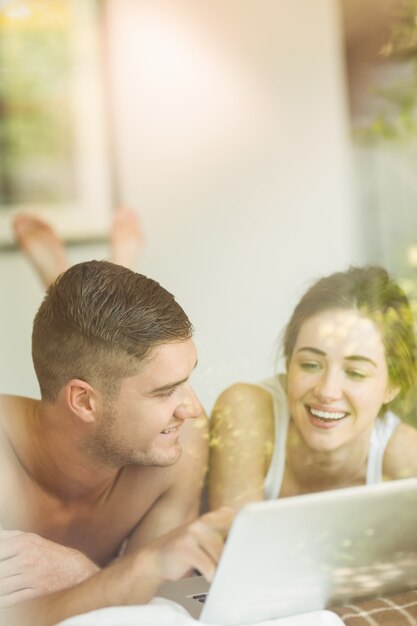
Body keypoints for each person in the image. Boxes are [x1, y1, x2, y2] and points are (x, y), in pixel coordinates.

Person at [0, 258, 234, 624]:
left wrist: (80, 572)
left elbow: (158, 612)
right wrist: (124, 577)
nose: (191, 409)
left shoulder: (181, 444)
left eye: (187, 381)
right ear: (84, 401)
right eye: (165, 392)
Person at [209, 266, 417, 509]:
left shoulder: (406, 456)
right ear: (288, 363)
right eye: (310, 365)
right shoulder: (246, 410)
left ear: (393, 386)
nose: (327, 391)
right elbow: (233, 542)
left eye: (355, 373)